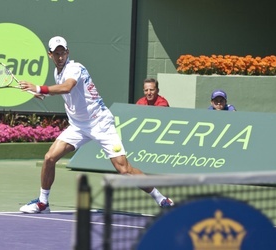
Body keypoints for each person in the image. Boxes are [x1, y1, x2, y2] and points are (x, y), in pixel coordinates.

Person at [18, 36, 174, 213]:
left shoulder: (74, 68)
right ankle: (43, 202)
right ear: (50, 55)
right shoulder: (58, 73)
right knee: (49, 158)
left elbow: (67, 87)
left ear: (68, 52)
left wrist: (39, 88)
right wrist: (41, 94)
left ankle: (160, 198)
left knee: (124, 170)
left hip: (101, 123)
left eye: (63, 53)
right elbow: (69, 95)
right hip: (78, 126)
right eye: (56, 53)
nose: (60, 57)